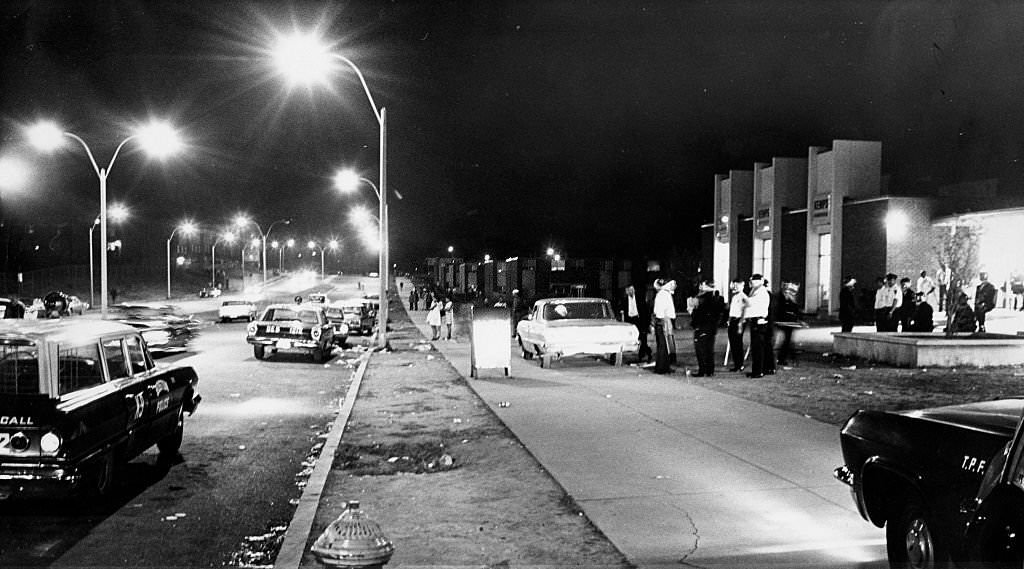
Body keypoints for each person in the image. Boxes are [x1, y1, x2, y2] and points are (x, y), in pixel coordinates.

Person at [690, 280, 724, 377]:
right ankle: (710, 370)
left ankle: (703, 370)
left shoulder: (703, 298)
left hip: (702, 326)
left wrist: (694, 318)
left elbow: (698, 313)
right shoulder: (717, 298)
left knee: (701, 349)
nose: (700, 287)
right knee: (709, 349)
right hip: (712, 327)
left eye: (702, 285)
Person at [743, 274, 771, 378]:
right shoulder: (756, 291)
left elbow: (750, 303)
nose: (751, 283)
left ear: (759, 281)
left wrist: (741, 295)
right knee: (756, 348)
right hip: (756, 321)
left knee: (757, 348)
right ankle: (759, 369)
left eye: (753, 281)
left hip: (759, 322)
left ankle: (758, 371)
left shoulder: (761, 292)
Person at [772, 282, 804, 366]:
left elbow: (795, 309)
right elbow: (777, 309)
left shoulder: (791, 298)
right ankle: (780, 358)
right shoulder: (778, 298)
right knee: (779, 340)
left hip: (789, 322)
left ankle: (783, 358)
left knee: (787, 341)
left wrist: (799, 319)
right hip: (782, 321)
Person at [620, 285, 652, 363]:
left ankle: (643, 355)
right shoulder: (624, 300)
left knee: (643, 338)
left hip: (639, 320)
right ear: (626, 292)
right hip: (630, 321)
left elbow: (646, 310)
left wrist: (648, 323)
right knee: (636, 338)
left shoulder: (639, 298)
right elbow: (621, 309)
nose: (631, 291)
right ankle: (646, 352)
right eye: (629, 290)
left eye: (632, 290)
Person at [651, 279, 675, 374]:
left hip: (661, 322)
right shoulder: (666, 294)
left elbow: (659, 312)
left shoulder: (661, 295)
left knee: (662, 345)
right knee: (665, 345)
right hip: (666, 320)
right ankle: (665, 366)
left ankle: (661, 367)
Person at [726, 277, 747, 372]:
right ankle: (736, 364)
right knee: (733, 343)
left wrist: (740, 324)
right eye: (734, 285)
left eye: (737, 285)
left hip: (739, 321)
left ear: (742, 286)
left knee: (738, 343)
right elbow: (732, 311)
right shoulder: (734, 296)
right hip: (733, 321)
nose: (735, 287)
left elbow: (744, 311)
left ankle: (740, 364)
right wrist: (729, 320)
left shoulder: (743, 297)